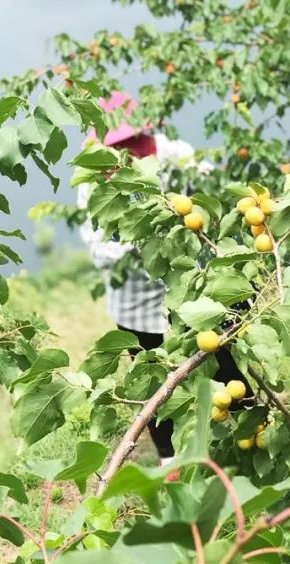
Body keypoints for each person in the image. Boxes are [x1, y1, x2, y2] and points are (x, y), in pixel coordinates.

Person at [77, 91, 245, 465]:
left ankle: (252, 430)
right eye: (118, 145)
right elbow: (98, 247)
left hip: (190, 285)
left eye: (135, 140)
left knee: (225, 357)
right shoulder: (95, 180)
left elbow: (211, 187)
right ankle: (170, 461)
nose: (130, 151)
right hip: (135, 296)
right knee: (152, 379)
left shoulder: (171, 154)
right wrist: (145, 241)